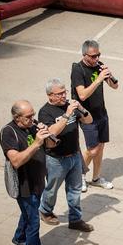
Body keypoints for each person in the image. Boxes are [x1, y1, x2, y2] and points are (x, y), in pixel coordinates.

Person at [0, 100, 53, 245]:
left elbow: (51, 145)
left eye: (33, 114)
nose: (33, 119)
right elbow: (16, 161)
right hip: (24, 185)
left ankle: (19, 239)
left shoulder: (32, 126)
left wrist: (46, 135)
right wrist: (36, 143)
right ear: (17, 118)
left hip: (38, 181)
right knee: (33, 221)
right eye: (29, 116)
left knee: (28, 213)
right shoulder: (8, 132)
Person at [38, 78, 95, 231]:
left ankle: (75, 220)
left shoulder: (69, 106)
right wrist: (67, 114)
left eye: (64, 92)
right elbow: (51, 133)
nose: (64, 96)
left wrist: (82, 109)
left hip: (74, 156)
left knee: (75, 190)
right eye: (60, 93)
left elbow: (89, 120)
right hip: (56, 159)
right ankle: (45, 211)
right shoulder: (45, 112)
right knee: (52, 189)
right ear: (50, 95)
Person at [71, 40, 118, 193]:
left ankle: (96, 178)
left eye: (98, 55)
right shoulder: (78, 70)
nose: (96, 59)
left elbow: (115, 86)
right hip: (86, 115)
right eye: (92, 56)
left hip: (101, 112)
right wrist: (98, 80)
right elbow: (82, 95)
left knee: (101, 146)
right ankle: (79, 176)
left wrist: (109, 75)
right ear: (84, 55)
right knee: (92, 149)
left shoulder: (99, 65)